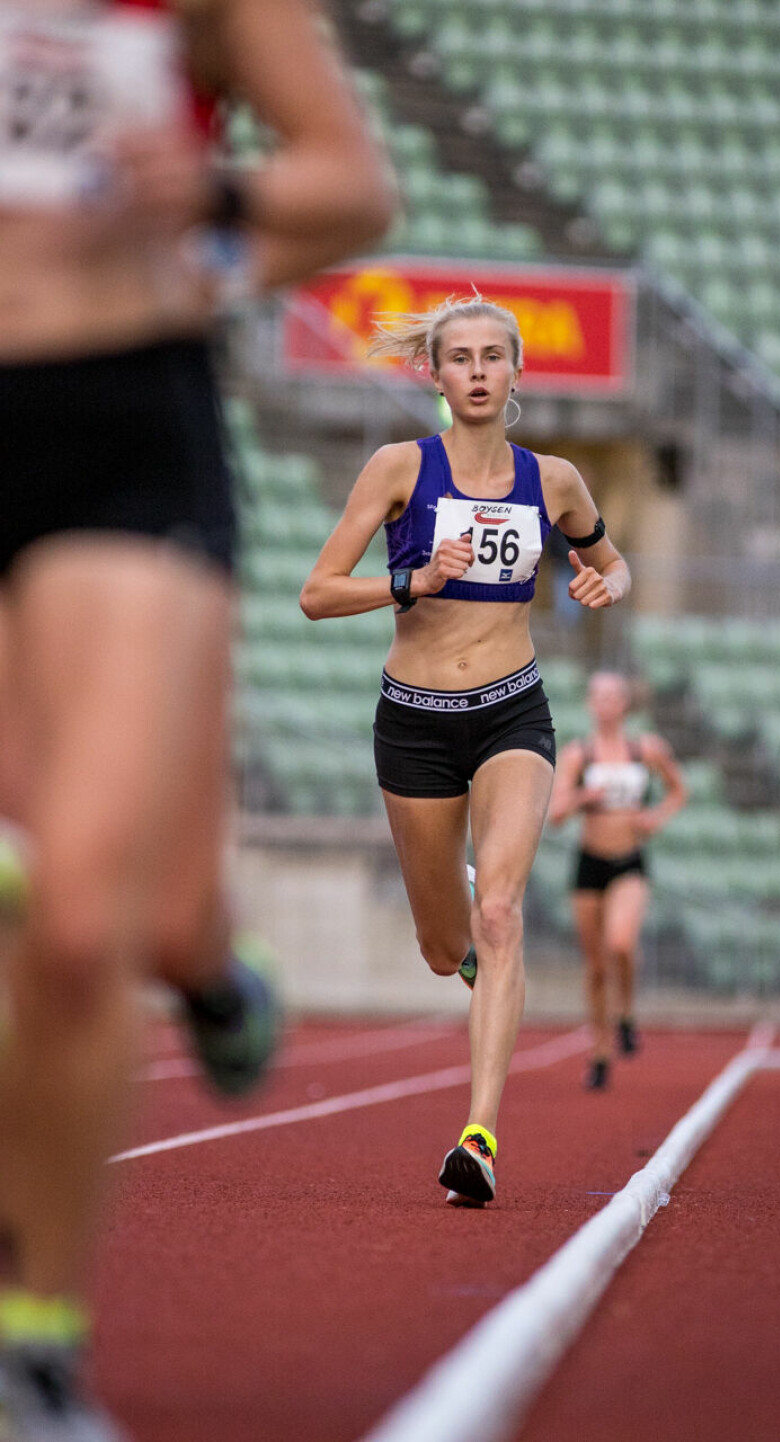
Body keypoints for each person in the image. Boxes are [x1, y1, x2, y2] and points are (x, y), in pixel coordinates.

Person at [0, 1, 395, 1437]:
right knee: (29, 878)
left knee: (98, 923)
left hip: (113, 422)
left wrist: (217, 205)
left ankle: (30, 1339)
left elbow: (353, 182)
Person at [300, 295, 631, 1207]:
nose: (479, 371)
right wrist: (409, 581)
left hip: (512, 716)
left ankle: (478, 1138)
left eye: (495, 357)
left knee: (505, 914)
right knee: (446, 946)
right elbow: (317, 593)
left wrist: (607, 578)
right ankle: (473, 938)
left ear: (517, 372)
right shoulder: (399, 467)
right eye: (462, 358)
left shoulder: (554, 479)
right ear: (436, 375)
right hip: (413, 720)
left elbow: (614, 558)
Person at [548, 672, 687, 1091]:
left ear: (625, 704)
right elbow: (554, 816)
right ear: (590, 704)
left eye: (613, 697)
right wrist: (580, 799)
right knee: (594, 968)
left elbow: (678, 791)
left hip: (630, 860)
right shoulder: (578, 754)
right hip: (589, 864)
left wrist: (655, 818)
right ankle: (601, 1053)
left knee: (621, 944)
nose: (606, 704)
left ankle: (626, 1012)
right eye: (599, 697)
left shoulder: (645, 749)